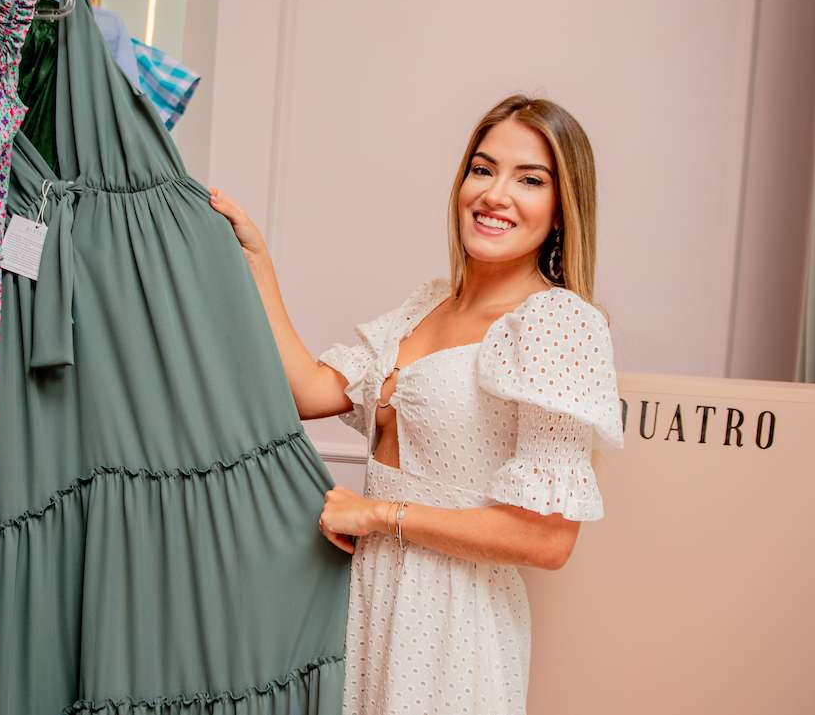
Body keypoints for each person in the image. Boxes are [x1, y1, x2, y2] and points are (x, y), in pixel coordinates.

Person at [208, 94, 624, 715]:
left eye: (530, 179)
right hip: (371, 600)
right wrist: (257, 261)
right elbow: (311, 390)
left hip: (458, 624)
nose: (495, 194)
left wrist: (378, 516)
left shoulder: (557, 324)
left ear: (562, 209)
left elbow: (547, 541)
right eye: (483, 169)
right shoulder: (425, 304)